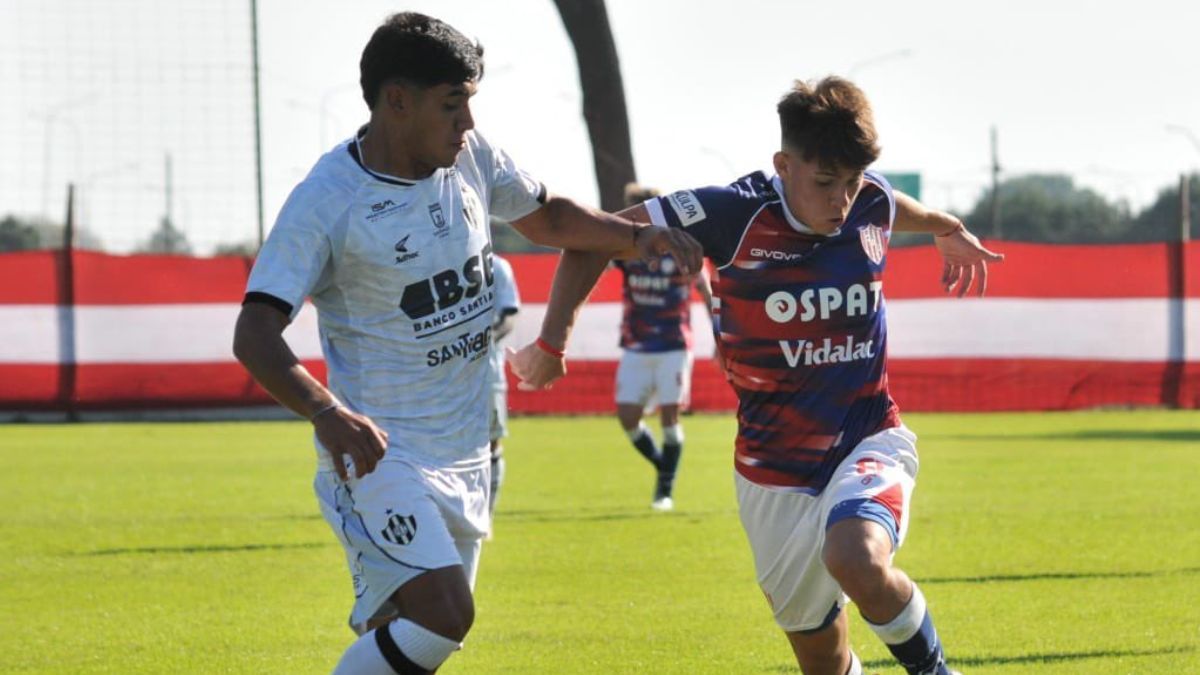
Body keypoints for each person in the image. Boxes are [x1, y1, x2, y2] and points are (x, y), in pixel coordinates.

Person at [231, 12, 700, 675]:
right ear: (397, 101)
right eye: (453, 106)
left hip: (469, 453)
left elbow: (553, 217)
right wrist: (328, 413)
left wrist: (636, 236)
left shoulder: (471, 158)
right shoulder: (328, 200)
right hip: (381, 455)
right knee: (444, 615)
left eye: (470, 104)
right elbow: (253, 333)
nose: (468, 124)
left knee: (412, 638)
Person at [510, 76, 1004, 675]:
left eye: (851, 183)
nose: (843, 200)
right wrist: (553, 339)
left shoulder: (869, 198)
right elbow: (590, 237)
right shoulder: (728, 212)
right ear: (784, 165)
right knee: (823, 659)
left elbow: (901, 208)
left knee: (859, 560)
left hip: (867, 439)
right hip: (771, 472)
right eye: (826, 183)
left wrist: (947, 229)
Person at [613, 184, 715, 511]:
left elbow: (707, 292)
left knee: (669, 417)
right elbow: (588, 256)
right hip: (635, 345)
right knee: (628, 417)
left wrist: (719, 335)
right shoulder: (623, 252)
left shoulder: (681, 250)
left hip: (673, 343)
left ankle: (664, 490)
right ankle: (663, 465)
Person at [486, 252, 519, 529]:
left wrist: (480, 343)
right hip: (440, 373)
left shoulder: (497, 266)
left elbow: (509, 317)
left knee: (491, 443)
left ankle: (487, 516)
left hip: (488, 372)